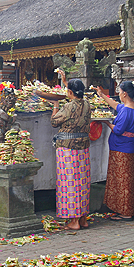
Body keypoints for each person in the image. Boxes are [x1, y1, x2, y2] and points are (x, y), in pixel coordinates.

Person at [50, 70, 92, 230]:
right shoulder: (87, 104)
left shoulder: (68, 106)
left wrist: (55, 106)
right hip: (83, 146)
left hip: (68, 148)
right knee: (82, 181)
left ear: (69, 92)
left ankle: (73, 220)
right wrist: (65, 80)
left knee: (69, 182)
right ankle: (83, 218)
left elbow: (54, 122)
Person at [94, 81, 134, 221]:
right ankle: (123, 209)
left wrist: (106, 121)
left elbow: (119, 130)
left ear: (125, 93)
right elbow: (115, 105)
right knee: (125, 179)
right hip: (127, 147)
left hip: (122, 149)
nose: (119, 94)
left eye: (119, 92)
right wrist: (102, 95)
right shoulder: (133, 107)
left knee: (122, 181)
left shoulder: (126, 111)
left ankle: (126, 212)